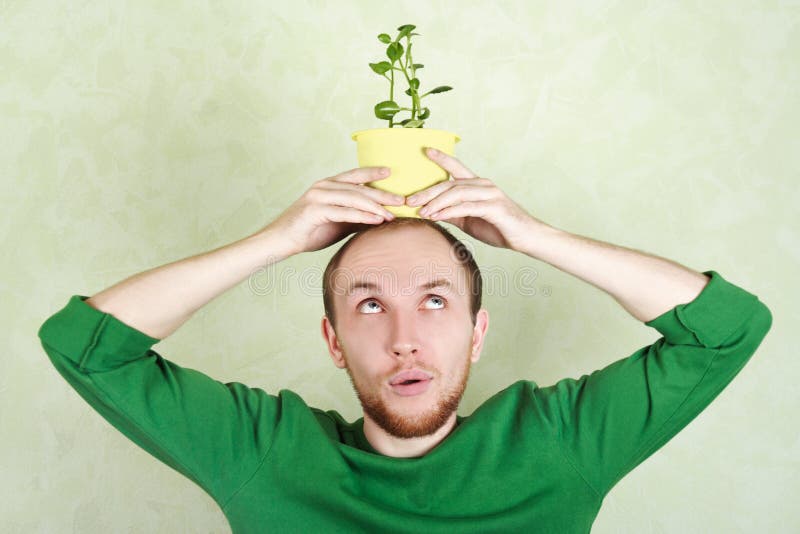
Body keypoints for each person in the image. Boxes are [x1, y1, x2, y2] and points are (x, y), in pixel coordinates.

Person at [38, 147, 772, 532]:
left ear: (478, 332)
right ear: (332, 342)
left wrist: (531, 235)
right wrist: (277, 239)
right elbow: (83, 343)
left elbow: (727, 328)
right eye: (367, 306)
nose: (404, 339)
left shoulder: (557, 444)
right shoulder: (265, 452)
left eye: (434, 300)